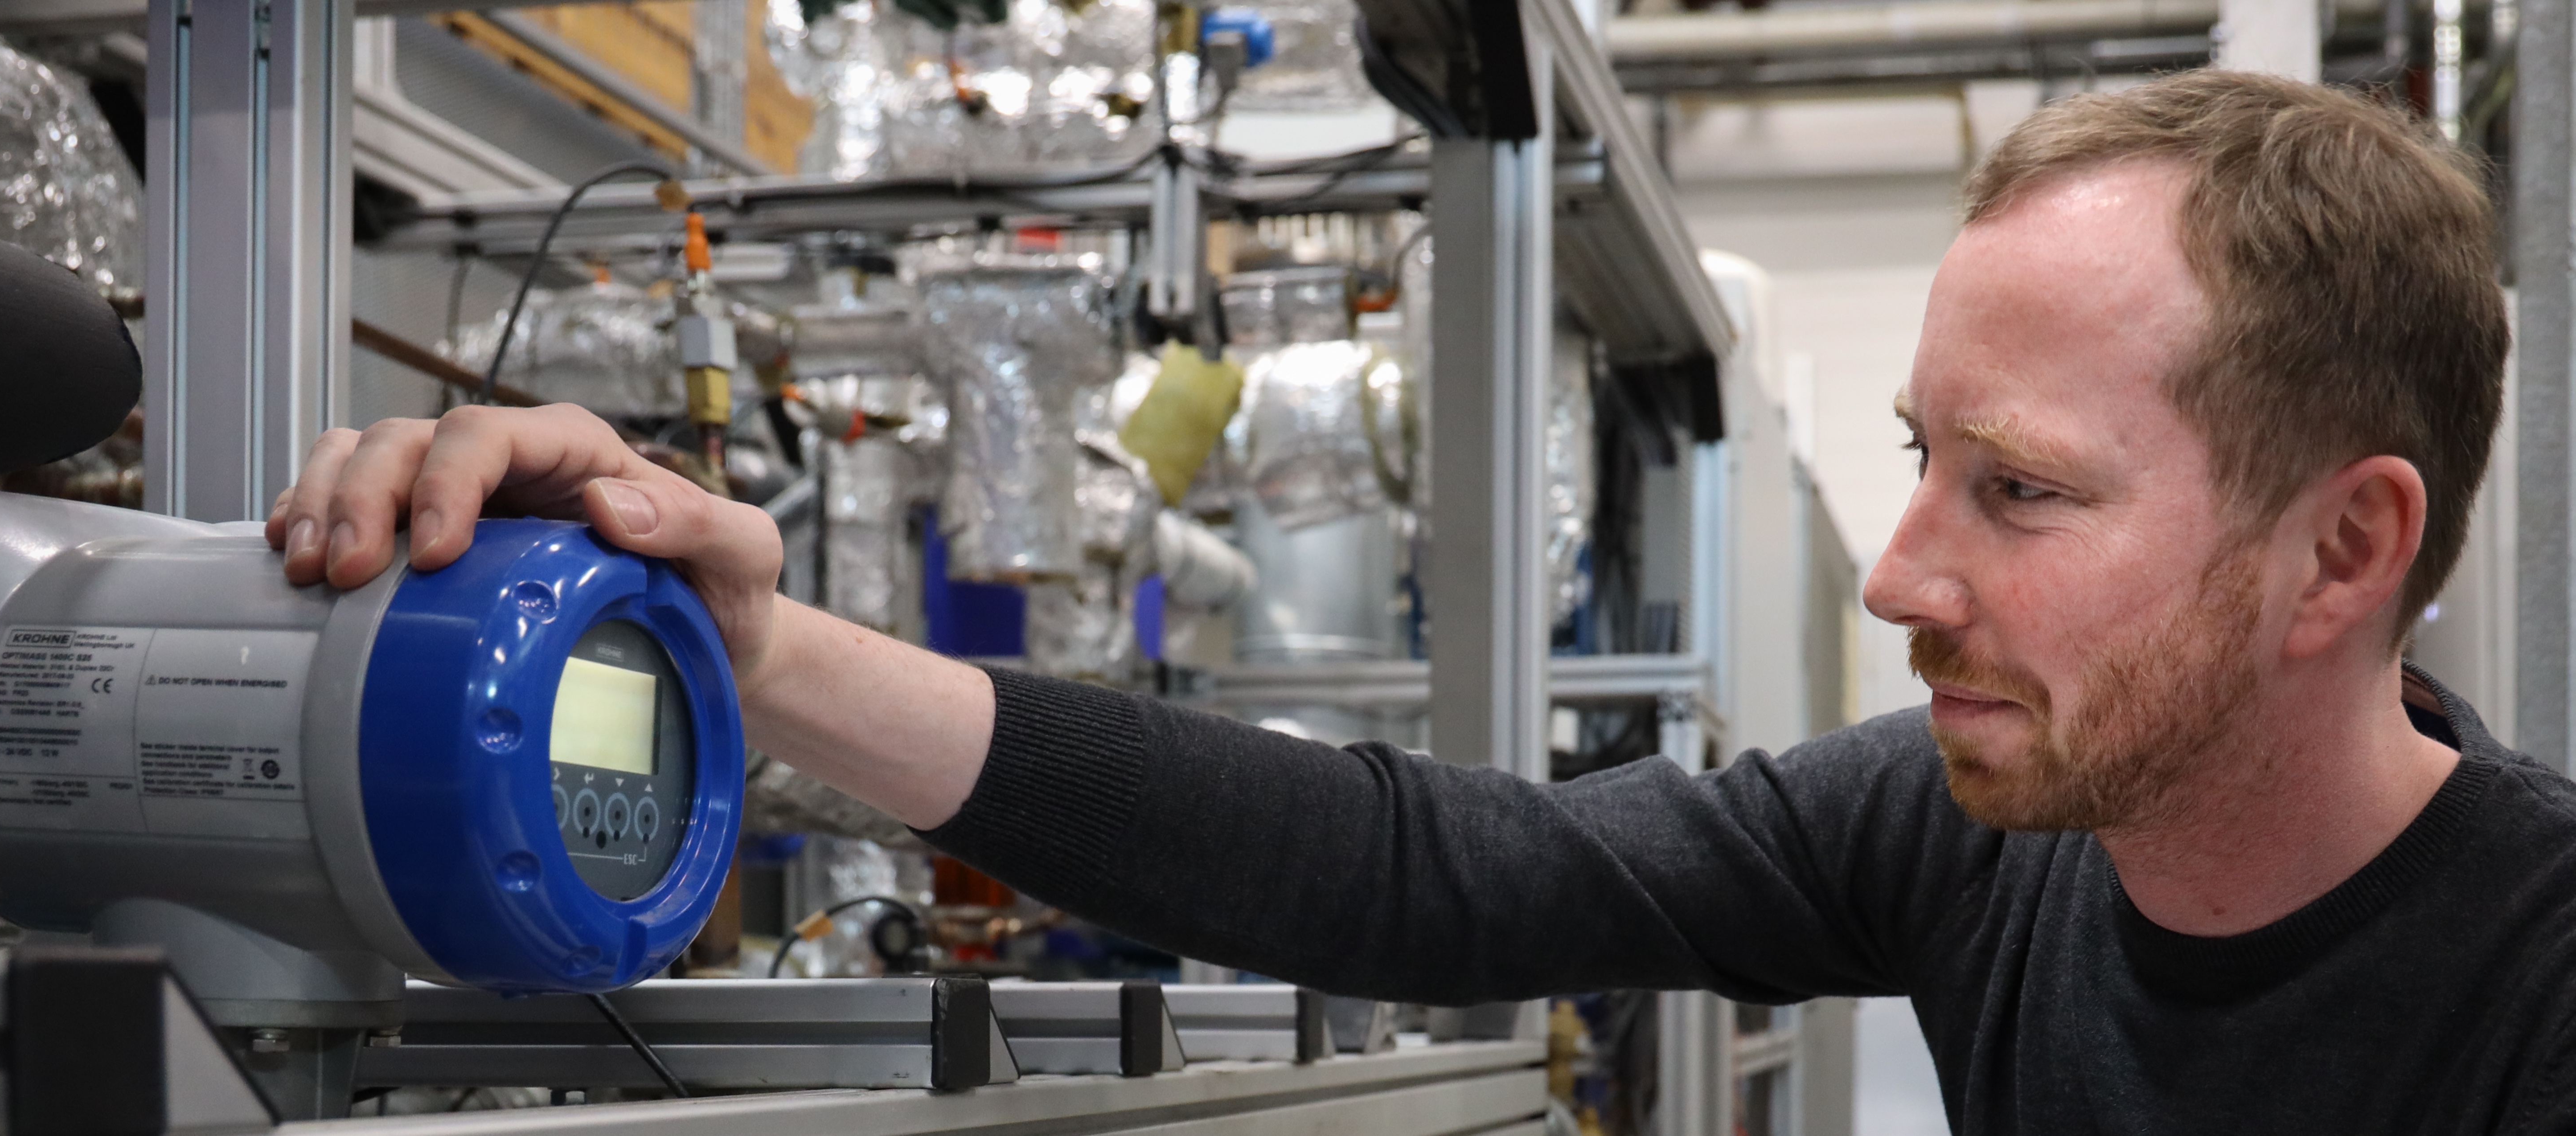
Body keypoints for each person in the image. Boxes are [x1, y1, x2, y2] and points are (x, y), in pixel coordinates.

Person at [274, 71, 2569, 1132]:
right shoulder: (1971, 842)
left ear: (2341, 551)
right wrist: (752, 648)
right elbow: (1423, 863)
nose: (1903, 574)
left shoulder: (2534, 991)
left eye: (2024, 490)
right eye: (1916, 463)